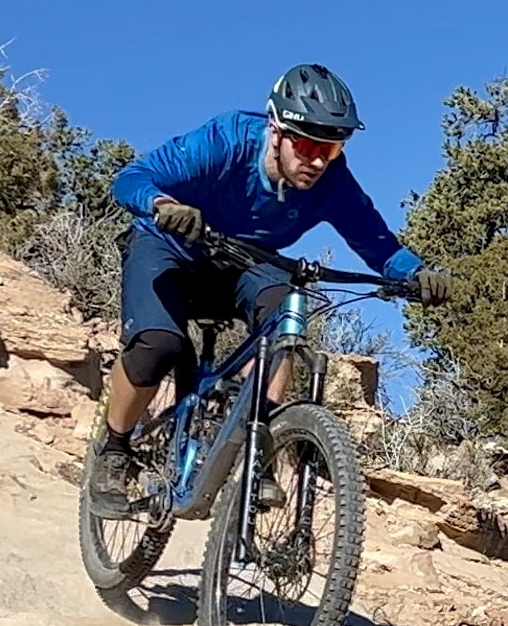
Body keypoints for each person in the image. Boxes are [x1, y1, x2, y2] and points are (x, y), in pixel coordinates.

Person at [86, 63, 453, 504]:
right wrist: (162, 204)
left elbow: (376, 242)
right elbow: (131, 178)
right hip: (171, 248)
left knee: (286, 320)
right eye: (307, 144)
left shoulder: (332, 182)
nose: (318, 160)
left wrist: (415, 274)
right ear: (276, 131)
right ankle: (115, 448)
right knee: (158, 346)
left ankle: (254, 448)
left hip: (246, 263)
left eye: (332, 148)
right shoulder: (226, 141)